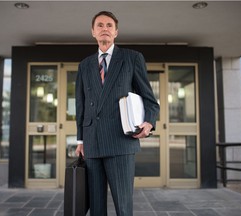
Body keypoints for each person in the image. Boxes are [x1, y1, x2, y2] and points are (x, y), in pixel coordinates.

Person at [75, 11, 160, 216]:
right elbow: (81, 105)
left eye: (109, 25)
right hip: (92, 143)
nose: (105, 28)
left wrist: (148, 123)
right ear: (93, 32)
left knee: (123, 205)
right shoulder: (85, 65)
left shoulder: (132, 58)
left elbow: (149, 99)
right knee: (96, 206)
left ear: (116, 32)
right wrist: (80, 140)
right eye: (100, 25)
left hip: (121, 141)